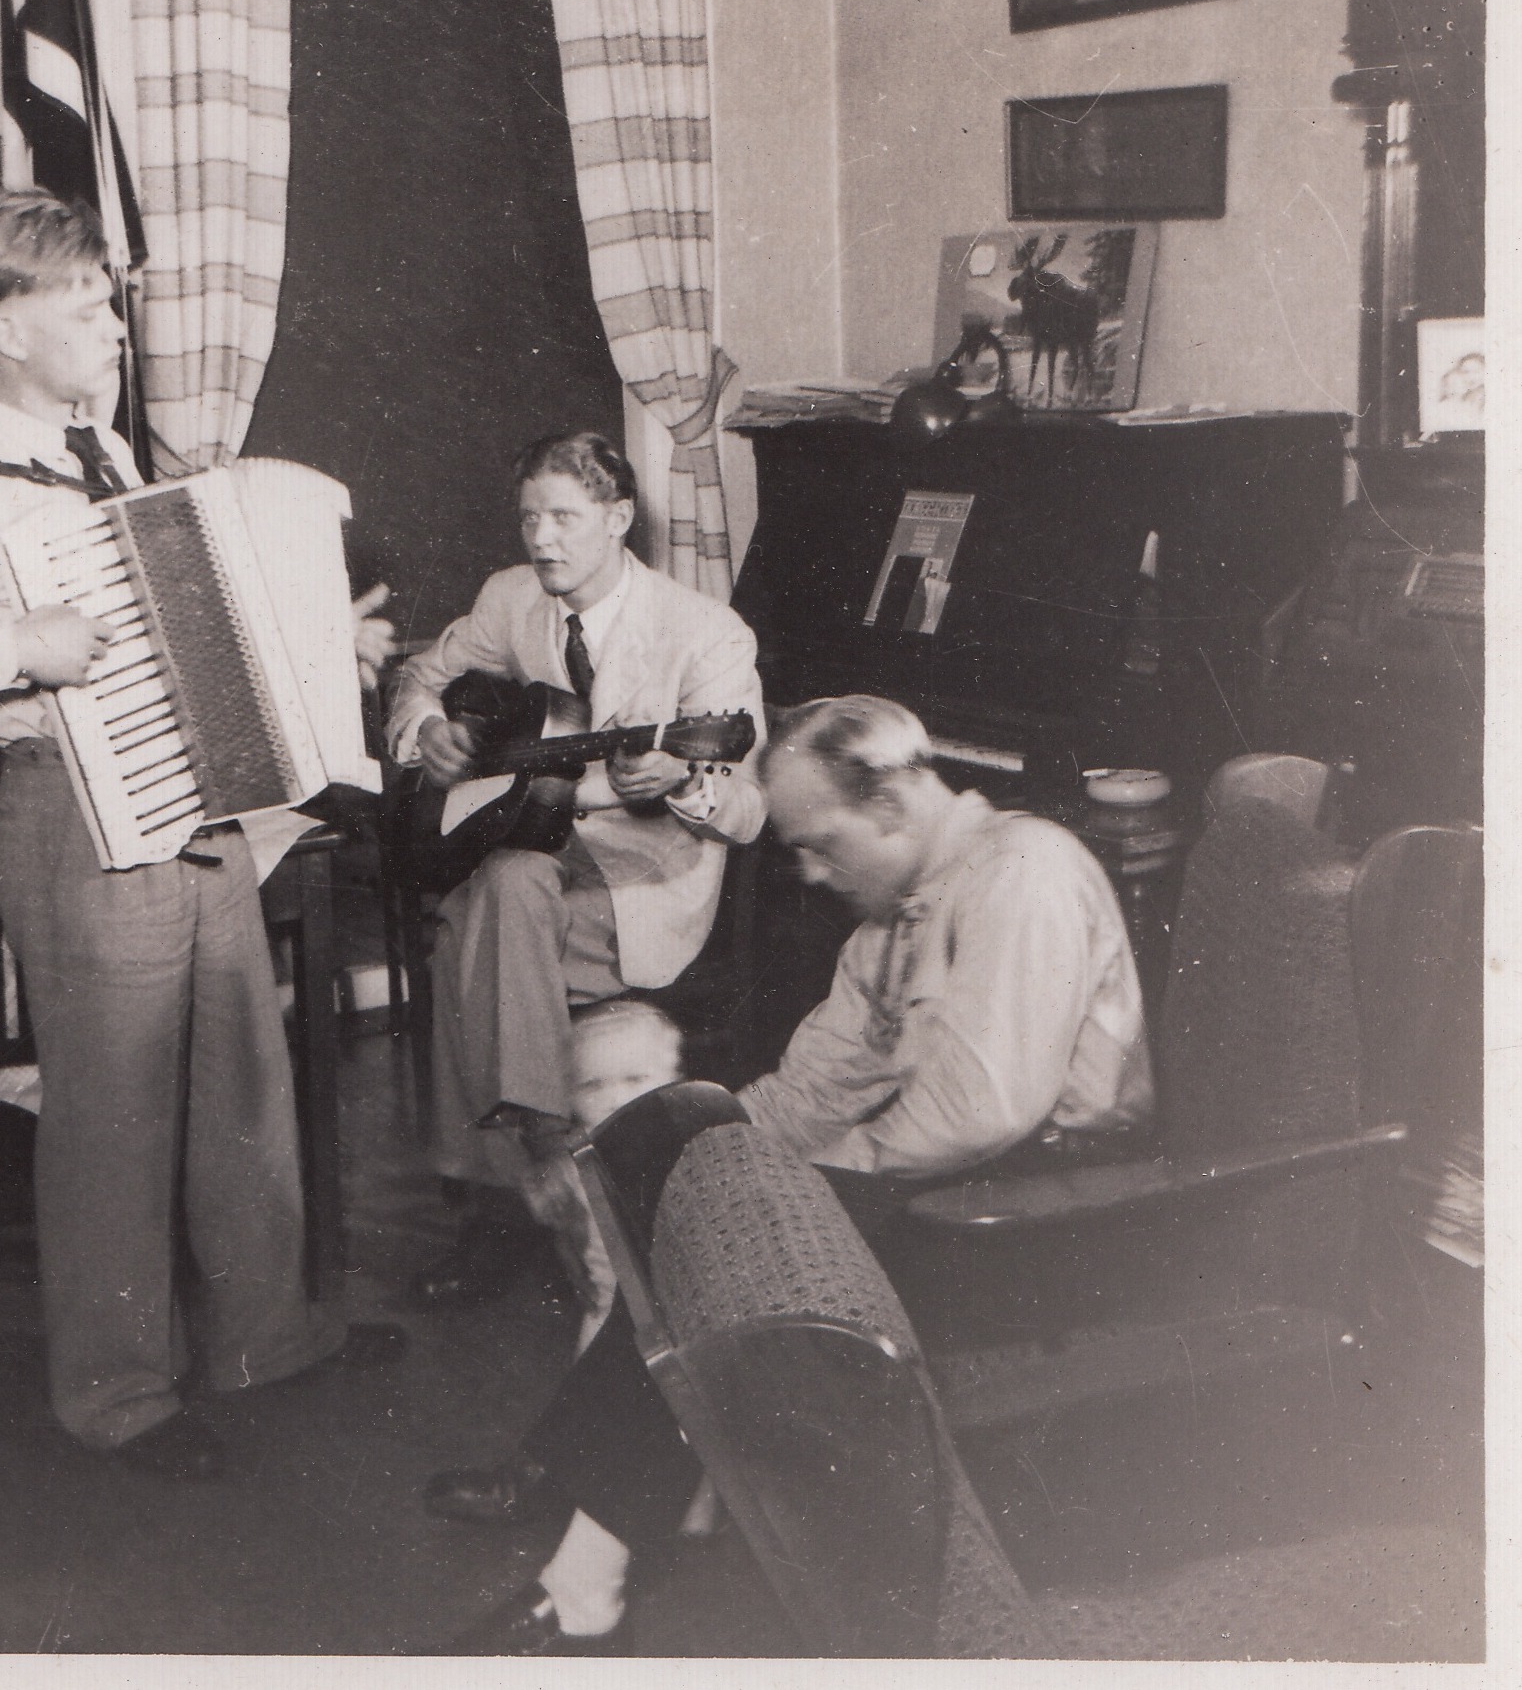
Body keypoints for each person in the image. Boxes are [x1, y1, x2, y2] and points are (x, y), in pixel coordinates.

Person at [0, 188, 402, 1482]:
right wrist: (15, 646)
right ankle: (118, 1396)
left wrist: (321, 648)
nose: (111, 320)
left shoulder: (110, 457)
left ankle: (266, 1339)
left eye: (106, 293)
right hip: (75, 828)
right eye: (81, 300)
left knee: (243, 1089)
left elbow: (181, 638)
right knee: (112, 1127)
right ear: (6, 328)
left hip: (191, 816)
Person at [426, 694, 1154, 1654]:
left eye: (820, 843)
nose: (808, 871)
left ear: (891, 809)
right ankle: (588, 1516)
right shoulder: (898, 912)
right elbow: (816, 1081)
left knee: (737, 1266)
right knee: (696, 1207)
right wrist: (705, 1160)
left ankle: (584, 1573)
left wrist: (791, 1192)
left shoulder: (1025, 875)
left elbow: (984, 1106)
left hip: (1052, 1220)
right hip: (950, 1183)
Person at [384, 430, 766, 1311]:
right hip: (531, 853)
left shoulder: (704, 631)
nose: (542, 539)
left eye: (564, 517)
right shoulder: (509, 599)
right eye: (529, 518)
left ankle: (504, 1196)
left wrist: (682, 782)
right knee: (502, 891)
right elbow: (420, 675)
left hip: (641, 875)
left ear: (619, 517)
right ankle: (547, 1173)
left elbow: (748, 809)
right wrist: (426, 730)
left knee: (469, 925)